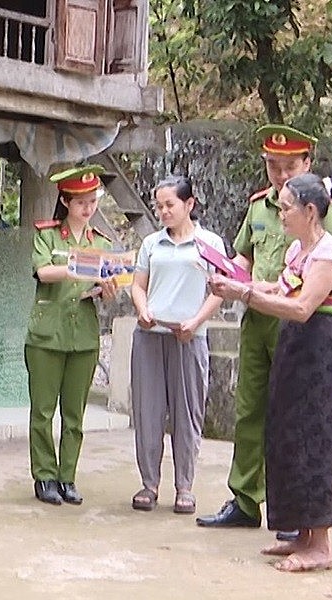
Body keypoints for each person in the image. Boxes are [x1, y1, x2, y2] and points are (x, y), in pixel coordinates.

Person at [197, 125, 332, 534]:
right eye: (273, 166)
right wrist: (228, 274)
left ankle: (294, 510)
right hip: (257, 320)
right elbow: (244, 257)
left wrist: (247, 289)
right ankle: (245, 499)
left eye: (289, 166)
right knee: (249, 411)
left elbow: (320, 274)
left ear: (307, 164)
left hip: (297, 323)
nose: (280, 175)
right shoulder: (260, 207)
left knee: (293, 416)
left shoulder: (319, 209)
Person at [208, 173, 332, 572]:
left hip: (318, 349)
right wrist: (236, 286)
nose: (281, 213)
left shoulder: (329, 254)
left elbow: (303, 306)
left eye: (287, 207)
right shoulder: (298, 250)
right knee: (287, 434)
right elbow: (281, 288)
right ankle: (301, 534)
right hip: (295, 348)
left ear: (311, 211)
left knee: (313, 437)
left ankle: (320, 544)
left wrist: (246, 295)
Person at [129, 175, 224, 514]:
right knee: (148, 413)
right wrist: (142, 311)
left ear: (189, 204)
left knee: (187, 415)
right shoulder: (151, 244)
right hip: (150, 336)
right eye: (159, 206)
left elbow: (219, 290)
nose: (164, 212)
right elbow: (139, 285)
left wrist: (197, 321)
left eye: (170, 205)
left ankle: (185, 486)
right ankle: (148, 484)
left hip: (190, 337)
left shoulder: (209, 244)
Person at [25, 164, 118, 506]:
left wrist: (107, 289)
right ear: (65, 202)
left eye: (92, 201)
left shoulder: (102, 242)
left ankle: (68, 476)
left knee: (75, 413)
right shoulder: (48, 235)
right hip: (47, 334)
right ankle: (45, 476)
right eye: (81, 202)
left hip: (83, 335)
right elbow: (43, 271)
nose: (88, 208)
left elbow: (108, 287)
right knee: (43, 410)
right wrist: (77, 267)